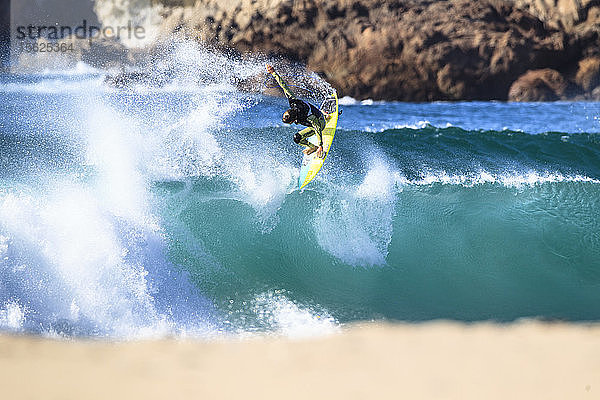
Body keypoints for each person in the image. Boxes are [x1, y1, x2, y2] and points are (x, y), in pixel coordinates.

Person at [266, 64, 327, 157]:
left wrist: (320, 145)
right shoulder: (293, 101)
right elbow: (284, 86)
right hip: (313, 115)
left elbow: (317, 127)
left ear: (293, 119)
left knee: (318, 124)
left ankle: (323, 116)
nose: (291, 124)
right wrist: (273, 73)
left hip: (319, 122)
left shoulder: (306, 115)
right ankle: (312, 147)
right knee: (297, 138)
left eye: (290, 122)